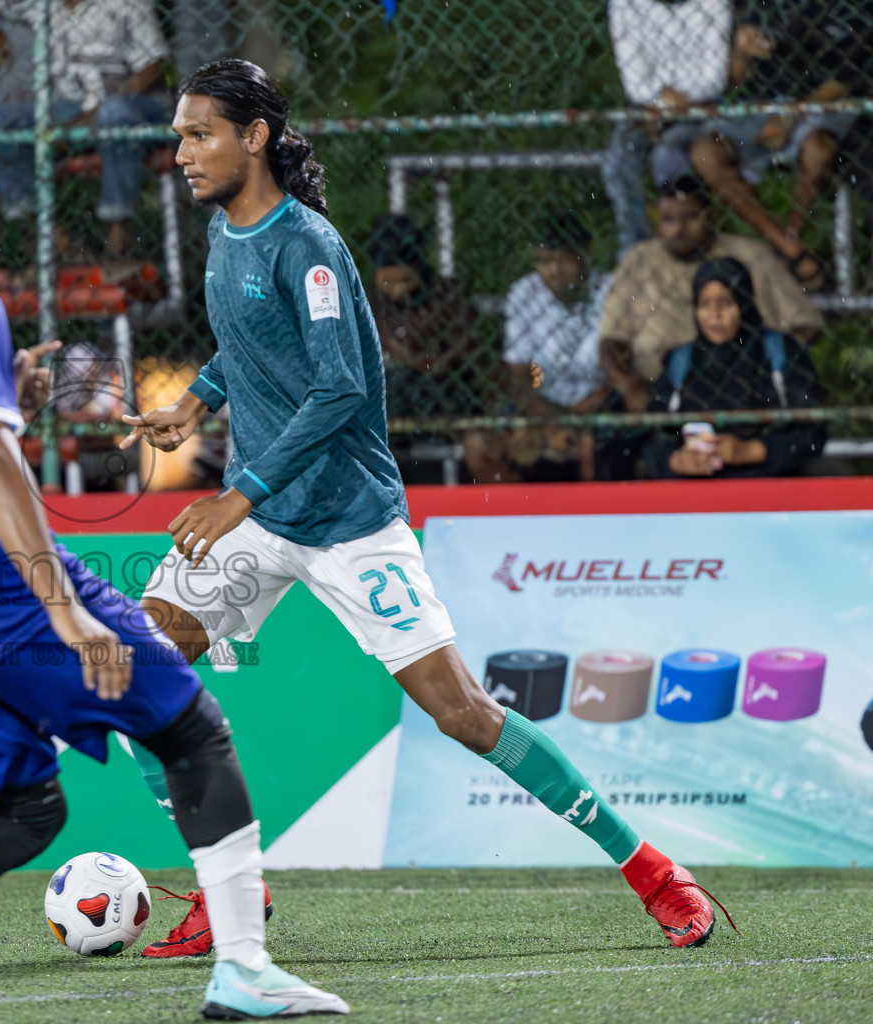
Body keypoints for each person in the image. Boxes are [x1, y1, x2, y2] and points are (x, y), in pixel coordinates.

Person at [120, 59, 732, 959]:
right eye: (178, 134)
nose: (180, 151)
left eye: (197, 133)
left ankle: (652, 871)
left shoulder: (311, 247)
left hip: (346, 521)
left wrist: (234, 495)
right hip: (261, 518)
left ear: (253, 138)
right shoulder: (223, 232)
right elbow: (249, 342)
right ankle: (229, 890)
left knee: (464, 713)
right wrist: (197, 400)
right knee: (136, 669)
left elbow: (335, 393)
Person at [0, 124, 348, 1022]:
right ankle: (245, 968)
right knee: (192, 728)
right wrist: (65, 609)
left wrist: (1, 408)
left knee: (23, 808)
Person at [599, 175, 822, 413]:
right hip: (657, 389)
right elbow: (611, 342)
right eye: (668, 220)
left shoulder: (751, 256)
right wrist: (629, 386)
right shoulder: (639, 260)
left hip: (743, 390)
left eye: (691, 217)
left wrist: (765, 368)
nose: (679, 229)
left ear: (711, 214)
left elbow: (806, 326)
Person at [688, 5, 871, 289]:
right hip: (759, 106)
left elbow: (843, 82)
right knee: (705, 152)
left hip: (820, 105)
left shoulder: (858, 10)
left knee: (817, 150)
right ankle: (791, 252)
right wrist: (741, 48)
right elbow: (736, 79)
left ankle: (793, 237)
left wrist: (790, 116)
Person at [0, 0, 170, 254]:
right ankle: (37, 225)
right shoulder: (43, 6)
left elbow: (152, 65)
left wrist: (96, 111)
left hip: (132, 103)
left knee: (113, 113)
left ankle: (119, 226)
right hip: (67, 108)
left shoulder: (126, 4)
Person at [464, 211, 612, 484]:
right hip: (540, 408)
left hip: (599, 409)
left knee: (594, 448)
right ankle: (511, 520)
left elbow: (617, 374)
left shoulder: (609, 290)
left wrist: (576, 420)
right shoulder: (525, 292)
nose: (553, 271)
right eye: (544, 261)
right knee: (479, 446)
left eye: (564, 260)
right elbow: (519, 375)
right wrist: (548, 424)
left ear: (584, 255)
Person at [643, 257, 825, 478]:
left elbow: (813, 434)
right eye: (704, 304)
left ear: (744, 303)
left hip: (768, 483)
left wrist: (750, 451)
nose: (714, 314)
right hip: (695, 488)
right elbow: (652, 434)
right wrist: (676, 460)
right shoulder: (682, 360)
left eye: (726, 303)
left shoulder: (778, 351)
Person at [604, 0, 733, 252]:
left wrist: (669, 97)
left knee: (669, 154)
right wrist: (663, 99)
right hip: (646, 110)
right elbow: (636, 84)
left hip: (700, 110)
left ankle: (685, 250)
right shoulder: (625, 4)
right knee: (618, 162)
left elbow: (714, 79)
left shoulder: (713, 4)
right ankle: (636, 254)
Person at [363, 214, 477, 421]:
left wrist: (414, 360)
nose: (397, 289)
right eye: (388, 281)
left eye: (405, 280)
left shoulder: (442, 295)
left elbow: (460, 357)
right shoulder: (368, 299)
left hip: (438, 388)